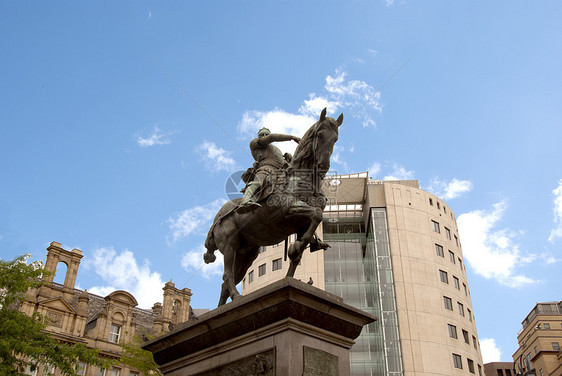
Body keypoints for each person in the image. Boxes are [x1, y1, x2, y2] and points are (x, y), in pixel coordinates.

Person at [236, 127, 300, 213]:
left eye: (266, 134)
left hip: (280, 171)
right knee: (258, 182)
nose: (264, 136)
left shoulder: (276, 150)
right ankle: (245, 202)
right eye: (262, 135)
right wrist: (291, 137)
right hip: (266, 168)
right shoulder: (255, 143)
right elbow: (272, 137)